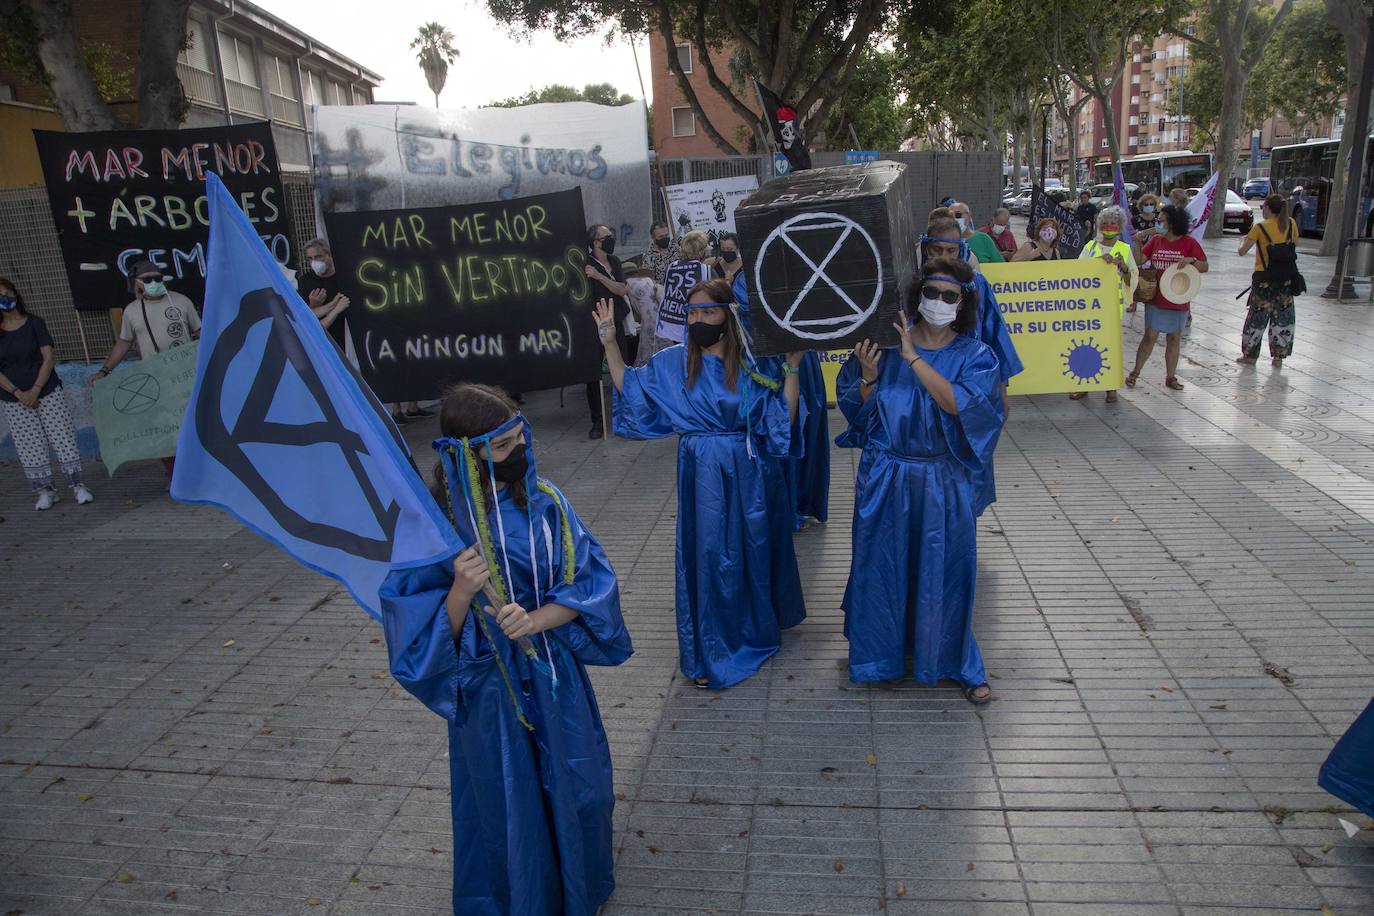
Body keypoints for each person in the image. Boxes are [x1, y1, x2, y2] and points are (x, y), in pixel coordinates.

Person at [380, 384, 632, 915]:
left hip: (553, 675)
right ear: (464, 455)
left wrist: (538, 619)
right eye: (500, 448)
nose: (516, 453)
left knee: (579, 784)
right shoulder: (435, 533)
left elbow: (592, 584)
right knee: (507, 800)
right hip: (487, 691)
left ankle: (578, 883)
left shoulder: (547, 505)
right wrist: (460, 591)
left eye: (520, 438)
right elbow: (417, 641)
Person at [601, 279, 806, 688]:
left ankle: (756, 624)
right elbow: (632, 389)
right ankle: (714, 647)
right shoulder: (674, 361)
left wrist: (794, 366)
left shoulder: (751, 362)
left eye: (708, 312)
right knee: (712, 554)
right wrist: (609, 343)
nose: (698, 320)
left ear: (728, 316)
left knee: (753, 547)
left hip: (750, 470)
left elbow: (781, 416)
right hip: (703, 473)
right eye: (692, 313)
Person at [835, 257, 1004, 702]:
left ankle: (950, 660)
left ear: (963, 304)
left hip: (942, 480)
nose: (939, 302)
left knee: (946, 571)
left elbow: (958, 405)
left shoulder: (975, 355)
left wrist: (912, 358)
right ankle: (880, 658)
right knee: (882, 568)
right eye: (932, 292)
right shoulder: (885, 347)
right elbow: (863, 413)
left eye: (950, 296)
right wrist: (870, 377)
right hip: (887, 476)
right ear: (918, 295)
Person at [918, 218, 1022, 517]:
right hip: (926, 382)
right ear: (926, 247)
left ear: (962, 249)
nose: (944, 257)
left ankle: (963, 521)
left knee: (967, 457)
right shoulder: (918, 284)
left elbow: (993, 336)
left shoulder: (977, 284)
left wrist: (1001, 389)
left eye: (951, 251)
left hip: (969, 381)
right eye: (936, 250)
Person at [92, 260, 202, 480]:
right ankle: (176, 477)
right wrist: (105, 371)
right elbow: (124, 342)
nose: (154, 283)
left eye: (158, 278)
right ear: (137, 283)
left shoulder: (181, 302)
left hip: (186, 377)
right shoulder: (132, 311)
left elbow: (200, 332)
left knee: (194, 425)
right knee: (165, 429)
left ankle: (200, 472)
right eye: (148, 279)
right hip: (158, 380)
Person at [0, 277, 93, 510]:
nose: (4, 298)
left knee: (62, 436)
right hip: (14, 398)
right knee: (28, 443)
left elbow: (48, 358)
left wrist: (36, 390)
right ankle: (45, 491)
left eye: (6, 292)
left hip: (47, 391)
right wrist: (17, 392)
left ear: (15, 294)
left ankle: (78, 486)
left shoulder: (34, 323)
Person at [1127, 204, 1207, 391]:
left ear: (1172, 223)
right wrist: (1138, 242)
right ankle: (1135, 373)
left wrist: (1192, 261)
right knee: (1150, 336)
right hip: (1157, 298)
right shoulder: (1156, 240)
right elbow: (1138, 261)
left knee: (1174, 338)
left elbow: (1205, 266)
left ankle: (1171, 377)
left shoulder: (1189, 243)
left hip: (1179, 297)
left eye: (1161, 220)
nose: (1158, 223)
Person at [1071, 205, 1137, 405]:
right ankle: (1083, 385)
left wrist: (1123, 267)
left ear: (1120, 227)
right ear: (1100, 226)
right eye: (1105, 223)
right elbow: (1077, 273)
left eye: (1113, 224)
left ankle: (1111, 388)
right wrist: (1098, 262)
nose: (1109, 227)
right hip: (1089, 306)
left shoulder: (1125, 250)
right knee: (1085, 344)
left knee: (1111, 348)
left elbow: (1131, 279)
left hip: (1112, 308)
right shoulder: (1090, 247)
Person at [1237, 193, 1300, 367]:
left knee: (1257, 317)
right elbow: (1294, 245)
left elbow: (1242, 251)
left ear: (1267, 208)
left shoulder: (1260, 227)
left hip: (1264, 278)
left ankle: (1250, 355)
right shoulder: (1291, 224)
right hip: (1286, 278)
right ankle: (1278, 357)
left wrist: (1242, 240)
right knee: (1283, 317)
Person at [585, 224, 634, 439]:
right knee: (593, 371)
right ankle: (598, 420)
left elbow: (622, 289)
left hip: (615, 321)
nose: (610, 239)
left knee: (621, 365)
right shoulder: (585, 263)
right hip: (593, 322)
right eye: (606, 236)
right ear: (596, 242)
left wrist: (599, 276)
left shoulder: (613, 262)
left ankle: (628, 414)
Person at [652, 230, 712, 348]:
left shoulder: (672, 267)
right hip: (695, 324)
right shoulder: (705, 269)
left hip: (672, 324)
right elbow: (717, 294)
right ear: (700, 251)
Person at [296, 239, 352, 351]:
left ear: (329, 255)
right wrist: (313, 305)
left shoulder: (345, 277)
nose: (314, 262)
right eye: (310, 258)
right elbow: (306, 317)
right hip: (323, 340)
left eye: (318, 257)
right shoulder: (305, 281)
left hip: (346, 336)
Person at [626, 263, 661, 367]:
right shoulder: (647, 280)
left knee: (646, 349)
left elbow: (633, 309)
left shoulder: (628, 284)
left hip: (647, 318)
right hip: (659, 316)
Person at [644, 221, 679, 287]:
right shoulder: (649, 256)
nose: (664, 238)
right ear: (653, 237)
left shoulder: (676, 248)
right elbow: (649, 280)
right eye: (661, 237)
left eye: (666, 235)